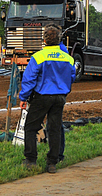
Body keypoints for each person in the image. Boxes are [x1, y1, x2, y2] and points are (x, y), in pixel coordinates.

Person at [19, 24, 75, 173]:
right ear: (59, 39)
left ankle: (30, 160)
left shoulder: (38, 57)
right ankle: (52, 163)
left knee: (31, 127)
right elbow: (72, 77)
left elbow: (29, 79)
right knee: (55, 128)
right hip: (59, 97)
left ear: (44, 40)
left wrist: (23, 97)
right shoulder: (68, 58)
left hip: (42, 97)